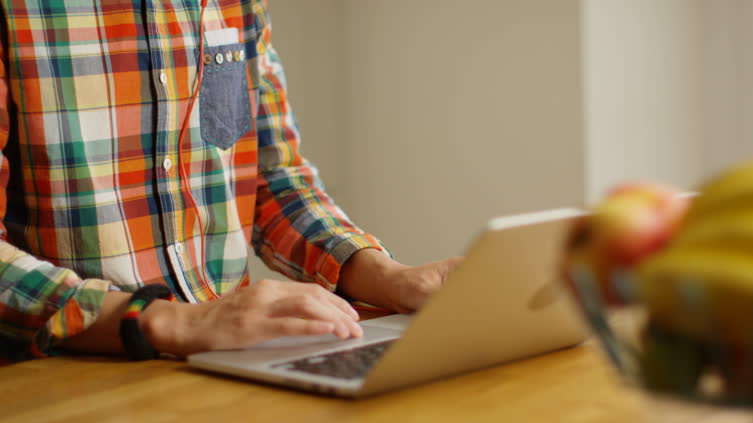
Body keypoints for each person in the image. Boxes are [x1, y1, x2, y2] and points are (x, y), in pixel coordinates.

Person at [0, 0, 459, 363]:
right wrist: (164, 321)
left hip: (227, 365)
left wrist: (387, 276)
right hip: (66, 378)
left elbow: (272, 180)